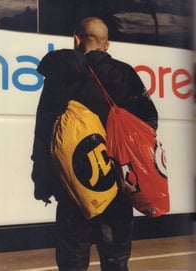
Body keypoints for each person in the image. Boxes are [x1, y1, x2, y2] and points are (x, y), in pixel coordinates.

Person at [31, 17, 158, 271]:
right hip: (116, 188)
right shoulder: (125, 74)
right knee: (115, 261)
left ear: (77, 38)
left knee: (72, 263)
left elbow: (44, 134)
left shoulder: (57, 77)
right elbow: (149, 124)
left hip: (73, 190)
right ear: (107, 45)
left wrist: (42, 183)